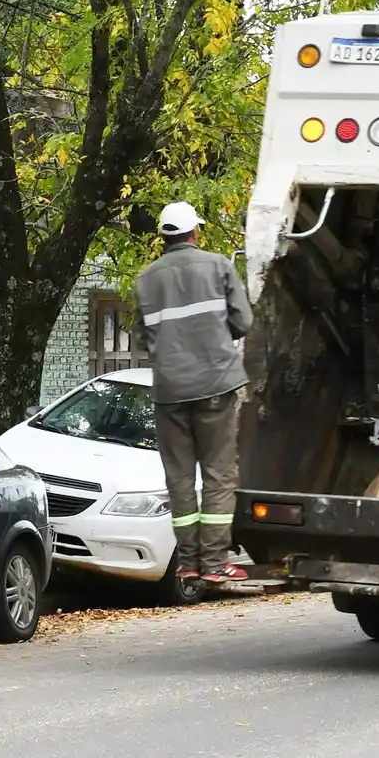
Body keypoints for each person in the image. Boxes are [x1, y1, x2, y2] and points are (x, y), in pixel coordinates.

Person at [135, 201, 254, 585]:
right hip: (216, 384)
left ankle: (188, 563)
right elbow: (244, 321)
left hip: (169, 392)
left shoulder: (145, 279)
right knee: (219, 475)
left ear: (163, 236)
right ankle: (216, 562)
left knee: (180, 480)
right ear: (195, 233)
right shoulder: (218, 265)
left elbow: (143, 336)